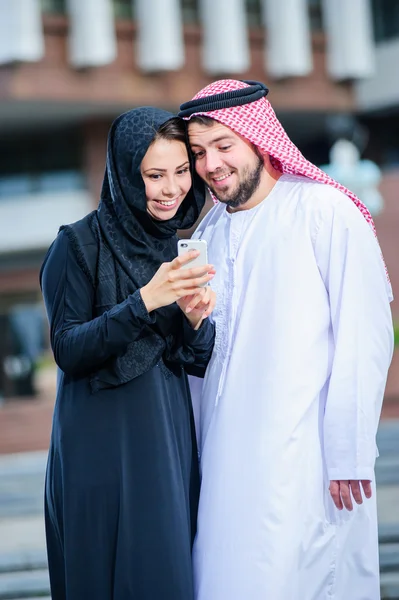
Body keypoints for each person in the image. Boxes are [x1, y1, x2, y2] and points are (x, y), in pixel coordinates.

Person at [178, 80, 394, 600]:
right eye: (199, 152)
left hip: (308, 459)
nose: (211, 165)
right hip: (224, 462)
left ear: (259, 138)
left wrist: (348, 452)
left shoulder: (325, 210)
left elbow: (363, 338)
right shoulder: (206, 235)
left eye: (224, 145)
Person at [40, 107, 216, 600]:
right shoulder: (76, 245)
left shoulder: (178, 248)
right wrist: (144, 301)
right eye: (154, 175)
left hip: (166, 440)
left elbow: (195, 357)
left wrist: (196, 322)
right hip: (99, 445)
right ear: (124, 173)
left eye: (181, 171)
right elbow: (68, 348)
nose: (171, 188)